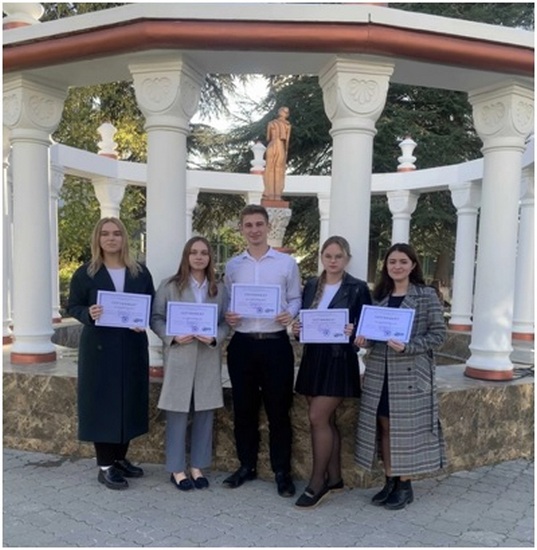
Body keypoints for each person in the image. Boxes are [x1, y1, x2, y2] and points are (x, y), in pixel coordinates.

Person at [355, 243, 447, 510]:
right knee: (384, 426)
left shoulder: (426, 296)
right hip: (379, 374)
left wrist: (409, 346)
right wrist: (363, 339)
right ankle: (390, 480)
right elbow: (374, 336)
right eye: (392, 262)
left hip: (410, 375)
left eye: (403, 262)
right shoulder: (379, 296)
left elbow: (439, 335)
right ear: (386, 266)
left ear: (413, 265)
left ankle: (405, 486)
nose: (397, 266)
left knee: (403, 431)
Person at [67, 217, 155, 490]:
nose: (111, 238)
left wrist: (143, 320)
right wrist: (88, 313)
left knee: (129, 401)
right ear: (98, 239)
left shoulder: (140, 272)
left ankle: (119, 458)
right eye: (105, 234)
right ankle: (105, 466)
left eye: (116, 233)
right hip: (100, 349)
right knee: (103, 403)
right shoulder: (86, 273)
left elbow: (150, 305)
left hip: (131, 346)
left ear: (124, 238)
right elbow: (73, 305)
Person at [223, 204, 301, 497]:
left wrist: (289, 313)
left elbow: (295, 298)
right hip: (242, 344)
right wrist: (229, 315)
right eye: (248, 225)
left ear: (268, 226)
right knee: (243, 409)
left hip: (275, 344)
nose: (254, 230)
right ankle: (247, 466)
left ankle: (282, 471)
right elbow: (228, 302)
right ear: (241, 229)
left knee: (279, 410)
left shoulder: (286, 264)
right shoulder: (233, 266)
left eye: (259, 224)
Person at [292, 236, 372, 508]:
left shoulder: (357, 288)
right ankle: (335, 478)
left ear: (346, 259)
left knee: (317, 417)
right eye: (328, 256)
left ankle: (318, 482)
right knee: (326, 421)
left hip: (339, 360)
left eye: (338, 256)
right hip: (314, 358)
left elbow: (367, 329)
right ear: (322, 258)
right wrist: (297, 329)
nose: (333, 261)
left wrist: (356, 331)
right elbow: (305, 320)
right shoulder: (312, 285)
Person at [150, 237, 229, 491]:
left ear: (210, 258)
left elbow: (226, 322)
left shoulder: (219, 288)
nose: (199, 257)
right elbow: (156, 318)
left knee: (205, 412)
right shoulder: (170, 286)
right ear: (186, 256)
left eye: (204, 252)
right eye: (194, 252)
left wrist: (215, 337)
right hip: (180, 356)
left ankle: (197, 466)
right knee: (177, 412)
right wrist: (172, 336)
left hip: (207, 356)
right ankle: (176, 469)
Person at [263, 106, 291, 201]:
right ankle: (276, 195)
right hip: (280, 146)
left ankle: (269, 193)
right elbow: (287, 142)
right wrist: (286, 152)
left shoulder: (271, 123)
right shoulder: (287, 125)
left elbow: (268, 137)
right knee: (279, 170)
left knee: (269, 168)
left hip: (271, 145)